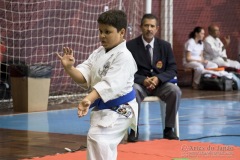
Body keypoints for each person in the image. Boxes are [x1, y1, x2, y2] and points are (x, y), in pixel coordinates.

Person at [56, 10, 138, 160]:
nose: (102, 35)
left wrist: (89, 98)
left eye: (107, 32)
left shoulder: (124, 57)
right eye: (100, 31)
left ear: (122, 32)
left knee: (99, 139)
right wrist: (70, 68)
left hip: (121, 108)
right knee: (97, 141)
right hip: (105, 108)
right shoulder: (99, 52)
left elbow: (110, 84)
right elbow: (84, 75)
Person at [126, 13, 181, 142]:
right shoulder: (130, 46)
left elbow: (173, 69)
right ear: (141, 27)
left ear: (157, 28)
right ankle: (133, 129)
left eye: (152, 26)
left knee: (175, 90)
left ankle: (168, 129)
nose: (149, 29)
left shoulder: (165, 46)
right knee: (133, 90)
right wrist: (142, 80)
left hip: (160, 85)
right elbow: (126, 71)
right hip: (140, 85)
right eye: (146, 25)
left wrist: (158, 78)